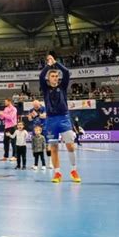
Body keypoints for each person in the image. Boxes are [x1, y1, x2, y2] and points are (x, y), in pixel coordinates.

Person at [39, 53, 81, 183]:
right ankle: (57, 173)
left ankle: (74, 170)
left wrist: (56, 63)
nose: (55, 78)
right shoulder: (45, 88)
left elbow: (67, 72)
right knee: (54, 148)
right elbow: (41, 76)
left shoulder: (62, 87)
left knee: (70, 146)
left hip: (64, 118)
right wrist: (48, 66)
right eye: (52, 76)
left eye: (57, 76)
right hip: (51, 120)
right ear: (49, 78)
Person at [27, 100, 53, 169]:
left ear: (39, 104)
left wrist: (37, 114)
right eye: (34, 106)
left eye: (37, 106)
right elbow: (29, 119)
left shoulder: (44, 108)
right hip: (35, 130)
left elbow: (44, 116)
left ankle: (50, 163)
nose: (36, 108)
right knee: (35, 146)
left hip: (45, 128)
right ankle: (35, 164)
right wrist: (30, 116)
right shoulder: (31, 110)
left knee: (48, 145)